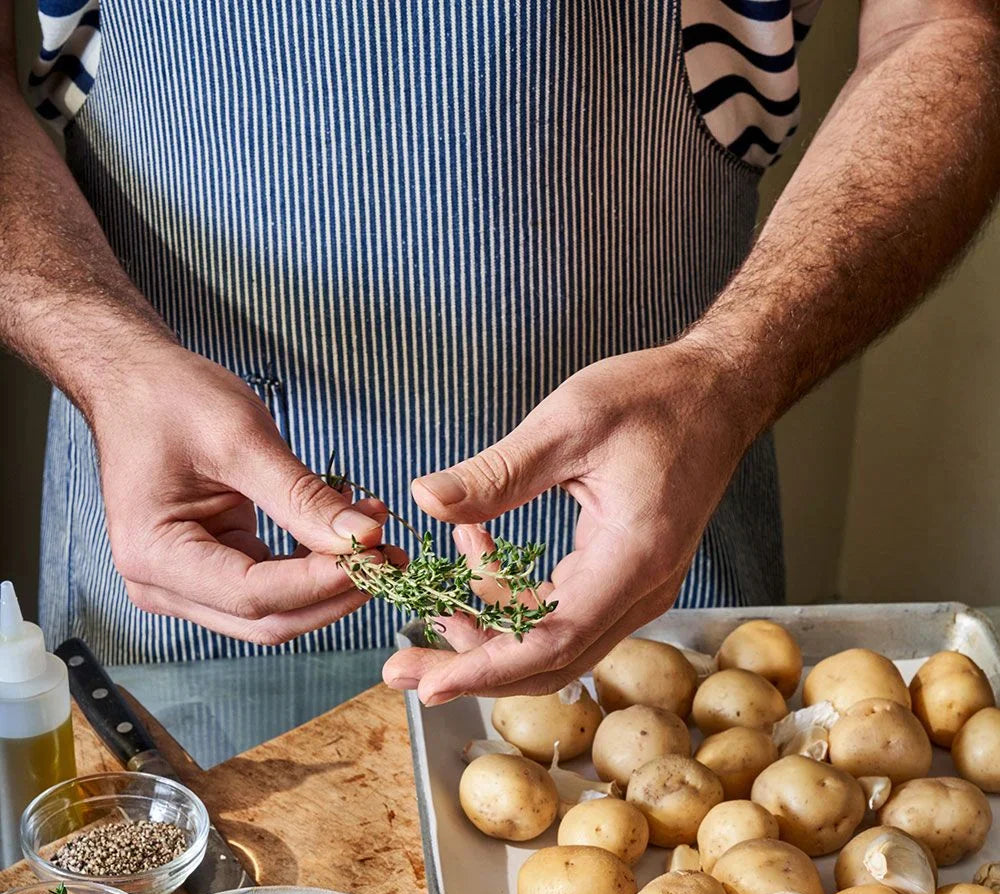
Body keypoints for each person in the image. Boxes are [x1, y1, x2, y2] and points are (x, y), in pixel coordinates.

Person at [1, 1, 998, 703]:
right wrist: (102, 354)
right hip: (179, 576)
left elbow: (944, 27)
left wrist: (730, 372)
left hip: (650, 575)